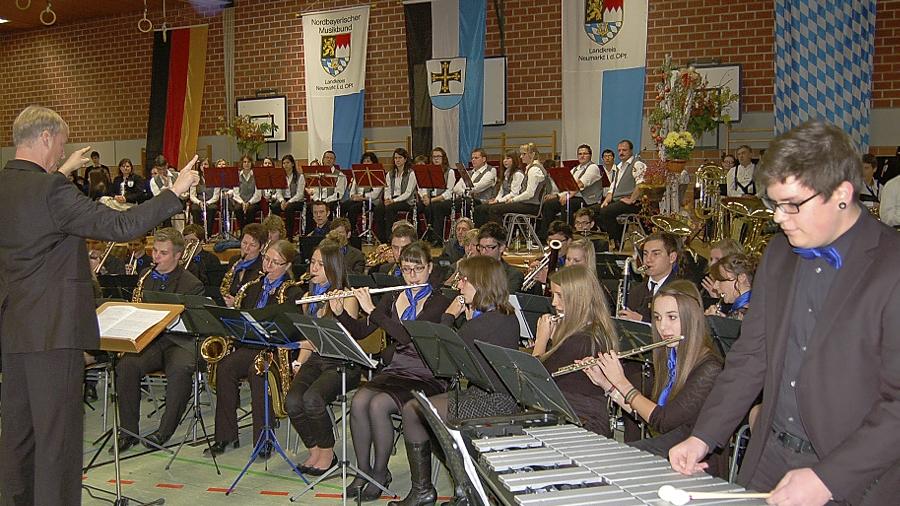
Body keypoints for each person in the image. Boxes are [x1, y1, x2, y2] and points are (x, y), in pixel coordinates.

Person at [668, 120, 900, 505]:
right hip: (770, 456)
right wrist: (703, 435)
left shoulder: (892, 266)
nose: (778, 217)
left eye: (792, 205)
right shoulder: (778, 255)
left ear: (842, 193)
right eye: (774, 204)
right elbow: (750, 357)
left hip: (854, 474)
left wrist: (828, 479)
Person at [0, 106, 198, 506]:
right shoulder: (52, 191)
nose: (61, 151)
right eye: (60, 143)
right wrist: (172, 194)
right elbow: (119, 226)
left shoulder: (8, 185)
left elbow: (36, 218)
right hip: (54, 332)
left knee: (18, 436)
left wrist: (58, 172)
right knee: (58, 441)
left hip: (14, 327)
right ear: (44, 139)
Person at [391, 256, 520, 506]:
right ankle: (460, 488)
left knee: (415, 410)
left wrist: (449, 316)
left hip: (495, 401)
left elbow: (444, 356)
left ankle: (435, 490)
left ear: (480, 283)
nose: (459, 286)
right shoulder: (500, 315)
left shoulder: (488, 321)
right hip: (483, 393)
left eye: (464, 280)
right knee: (423, 413)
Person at [333, 242, 452, 501]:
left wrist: (373, 310)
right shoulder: (393, 296)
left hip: (427, 373)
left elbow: (407, 336)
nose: (412, 276)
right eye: (406, 269)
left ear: (429, 268)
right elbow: (363, 332)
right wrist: (341, 313)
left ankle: (379, 473)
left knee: (378, 405)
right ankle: (363, 471)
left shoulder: (439, 301)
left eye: (418, 269)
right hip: (398, 368)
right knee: (360, 400)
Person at [584, 280, 727, 477]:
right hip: (666, 449)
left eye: (672, 317)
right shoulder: (671, 358)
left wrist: (622, 382)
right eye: (658, 318)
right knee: (598, 457)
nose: (662, 327)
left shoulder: (709, 369)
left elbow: (662, 421)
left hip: (694, 463)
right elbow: (648, 414)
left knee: (612, 465)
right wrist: (609, 386)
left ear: (691, 318)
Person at [205, 240, 304, 458]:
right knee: (225, 367)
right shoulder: (252, 286)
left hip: (276, 351)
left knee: (257, 372)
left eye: (275, 262)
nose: (267, 265)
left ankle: (264, 439)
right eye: (266, 259)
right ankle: (225, 434)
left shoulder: (293, 293)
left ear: (287, 266)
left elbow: (293, 331)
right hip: (250, 344)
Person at [116, 228, 206, 450]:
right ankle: (128, 431)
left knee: (180, 369)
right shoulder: (146, 276)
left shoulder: (192, 284)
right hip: (153, 341)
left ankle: (164, 431)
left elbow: (195, 325)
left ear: (178, 256)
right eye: (155, 251)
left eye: (163, 253)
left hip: (180, 342)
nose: (156, 257)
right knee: (126, 365)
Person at [286, 241, 361, 473]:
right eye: (312, 263)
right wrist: (299, 361)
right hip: (317, 360)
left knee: (312, 399)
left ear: (333, 268)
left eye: (321, 264)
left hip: (343, 363)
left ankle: (328, 454)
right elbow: (310, 340)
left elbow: (346, 338)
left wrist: (334, 308)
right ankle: (315, 450)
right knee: (293, 401)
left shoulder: (347, 296)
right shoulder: (308, 296)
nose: (314, 268)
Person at [534, 265, 618, 436]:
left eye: (560, 296)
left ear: (578, 299)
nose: (553, 303)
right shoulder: (592, 329)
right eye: (553, 295)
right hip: (568, 414)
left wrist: (541, 340)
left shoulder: (583, 340)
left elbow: (536, 379)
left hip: (583, 424)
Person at [541, 144, 605, 236]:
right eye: (580, 154)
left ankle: (566, 234)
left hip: (588, 199)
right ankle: (546, 235)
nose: (582, 156)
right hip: (574, 197)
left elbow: (580, 184)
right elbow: (567, 186)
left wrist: (567, 196)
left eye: (585, 153)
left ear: (590, 155)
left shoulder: (593, 168)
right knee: (549, 204)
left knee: (567, 204)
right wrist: (557, 195)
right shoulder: (575, 169)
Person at [594, 139, 646, 246]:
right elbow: (612, 187)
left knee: (606, 212)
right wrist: (607, 200)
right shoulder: (619, 167)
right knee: (592, 211)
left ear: (631, 151)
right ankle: (617, 233)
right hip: (618, 200)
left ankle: (617, 240)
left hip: (633, 203)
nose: (621, 153)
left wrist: (632, 199)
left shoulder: (637, 164)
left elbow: (641, 184)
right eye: (619, 150)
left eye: (624, 150)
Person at [619, 232, 679, 322]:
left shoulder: (681, 292)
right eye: (645, 254)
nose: (648, 259)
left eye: (656, 254)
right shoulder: (635, 292)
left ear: (672, 257)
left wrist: (642, 320)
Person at [485, 143, 547, 226]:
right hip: (529, 204)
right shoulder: (532, 168)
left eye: (524, 154)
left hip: (531, 205)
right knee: (494, 208)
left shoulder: (534, 170)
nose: (521, 157)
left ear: (532, 154)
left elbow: (529, 193)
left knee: (494, 209)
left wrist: (513, 200)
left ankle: (499, 236)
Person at [374, 148, 418, 243]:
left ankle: (390, 237)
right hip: (392, 199)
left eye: (400, 158)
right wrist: (387, 199)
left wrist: (393, 201)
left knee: (390, 209)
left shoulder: (411, 174)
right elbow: (387, 189)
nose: (397, 160)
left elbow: (408, 193)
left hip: (406, 201)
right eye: (395, 158)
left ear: (405, 159)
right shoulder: (390, 174)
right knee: (379, 208)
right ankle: (381, 238)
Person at [473, 150, 523, 226]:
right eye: (504, 159)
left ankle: (496, 232)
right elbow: (501, 192)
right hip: (504, 200)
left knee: (491, 209)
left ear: (514, 160)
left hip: (513, 201)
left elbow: (514, 193)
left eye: (508, 158)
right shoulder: (506, 173)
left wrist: (498, 201)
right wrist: (496, 200)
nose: (505, 161)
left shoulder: (518, 174)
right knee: (479, 208)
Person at [419, 147, 457, 246]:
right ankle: (419, 235)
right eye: (434, 156)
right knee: (418, 207)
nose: (435, 159)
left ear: (443, 158)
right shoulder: (428, 170)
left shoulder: (450, 172)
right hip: (430, 198)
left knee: (434, 208)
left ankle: (436, 238)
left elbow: (449, 192)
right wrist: (425, 196)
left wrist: (433, 199)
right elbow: (422, 186)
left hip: (443, 200)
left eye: (438, 156)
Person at [222, 223, 266, 307]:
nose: (246, 248)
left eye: (252, 245)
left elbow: (258, 302)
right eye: (244, 243)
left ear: (261, 247)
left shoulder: (263, 268)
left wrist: (236, 303)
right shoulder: (234, 261)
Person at [475, 221, 524, 293]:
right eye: (481, 247)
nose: (483, 252)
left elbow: (504, 301)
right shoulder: (473, 271)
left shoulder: (513, 275)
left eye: (489, 247)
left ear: (501, 248)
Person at [704, 253, 754, 320]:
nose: (715, 286)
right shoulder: (746, 309)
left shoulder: (749, 314)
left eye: (720, 280)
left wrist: (712, 321)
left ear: (742, 278)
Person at [451, 148, 498, 219]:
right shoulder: (469, 173)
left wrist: (464, 189)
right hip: (467, 200)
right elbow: (456, 188)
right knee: (442, 205)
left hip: (481, 201)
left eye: (476, 158)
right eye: (472, 158)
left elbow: (476, 188)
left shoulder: (489, 173)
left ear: (484, 159)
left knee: (466, 202)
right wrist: (466, 192)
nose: (473, 160)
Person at [345, 151, 384, 235]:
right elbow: (352, 190)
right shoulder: (358, 173)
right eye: (364, 161)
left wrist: (361, 197)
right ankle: (343, 230)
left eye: (368, 161)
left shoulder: (378, 174)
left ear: (374, 162)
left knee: (353, 209)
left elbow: (375, 195)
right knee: (344, 206)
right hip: (358, 199)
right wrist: (353, 196)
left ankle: (352, 232)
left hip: (371, 202)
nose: (366, 163)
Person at [269, 154, 305, 239]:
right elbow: (278, 192)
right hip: (284, 200)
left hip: (296, 200)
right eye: (284, 163)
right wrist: (282, 201)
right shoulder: (280, 176)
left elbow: (300, 194)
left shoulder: (300, 177)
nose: (285, 165)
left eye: (287, 163)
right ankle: (276, 232)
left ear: (292, 164)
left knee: (289, 208)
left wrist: (289, 202)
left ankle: (289, 235)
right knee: (274, 207)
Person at [306, 150, 347, 223]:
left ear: (334, 161)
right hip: (318, 200)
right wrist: (317, 200)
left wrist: (325, 201)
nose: (328, 160)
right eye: (327, 157)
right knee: (308, 207)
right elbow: (314, 191)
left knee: (330, 208)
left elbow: (339, 194)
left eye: (331, 158)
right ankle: (311, 232)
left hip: (331, 201)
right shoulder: (317, 173)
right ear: (323, 160)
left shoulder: (340, 175)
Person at [189, 157, 221, 236]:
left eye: (206, 164)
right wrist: (199, 202)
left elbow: (216, 196)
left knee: (212, 208)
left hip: (210, 202)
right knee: (194, 209)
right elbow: (192, 195)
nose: (203, 166)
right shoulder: (195, 178)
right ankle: (199, 234)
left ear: (210, 166)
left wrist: (207, 202)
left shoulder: (215, 178)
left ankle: (208, 234)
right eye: (201, 165)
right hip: (199, 202)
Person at [231, 154, 262, 229]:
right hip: (240, 201)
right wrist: (242, 203)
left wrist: (249, 203)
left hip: (253, 202)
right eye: (244, 162)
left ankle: (249, 230)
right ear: (242, 163)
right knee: (237, 209)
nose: (246, 164)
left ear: (251, 163)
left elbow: (258, 195)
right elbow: (236, 194)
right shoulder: (237, 176)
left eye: (248, 162)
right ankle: (242, 230)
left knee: (250, 210)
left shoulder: (256, 175)